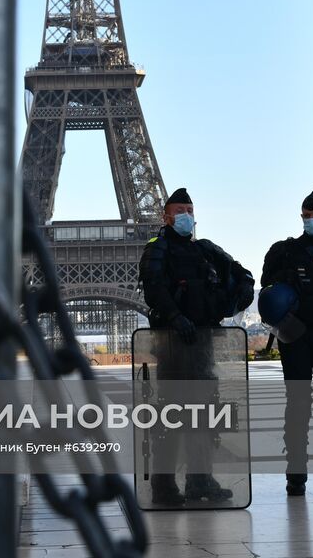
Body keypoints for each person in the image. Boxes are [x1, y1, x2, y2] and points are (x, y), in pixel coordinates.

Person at [138, 186, 255, 505]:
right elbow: (154, 288)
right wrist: (176, 317)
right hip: (174, 346)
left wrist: (244, 289)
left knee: (206, 413)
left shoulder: (205, 249)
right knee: (172, 415)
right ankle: (164, 485)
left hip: (203, 342)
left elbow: (240, 271)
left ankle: (200, 479)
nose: (185, 217)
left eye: (189, 211)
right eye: (179, 212)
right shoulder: (157, 248)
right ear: (165, 216)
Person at [260, 187, 313, 496]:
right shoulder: (284, 252)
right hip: (297, 337)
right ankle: (296, 473)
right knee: (298, 406)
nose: (311, 221)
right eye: (306, 216)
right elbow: (267, 293)